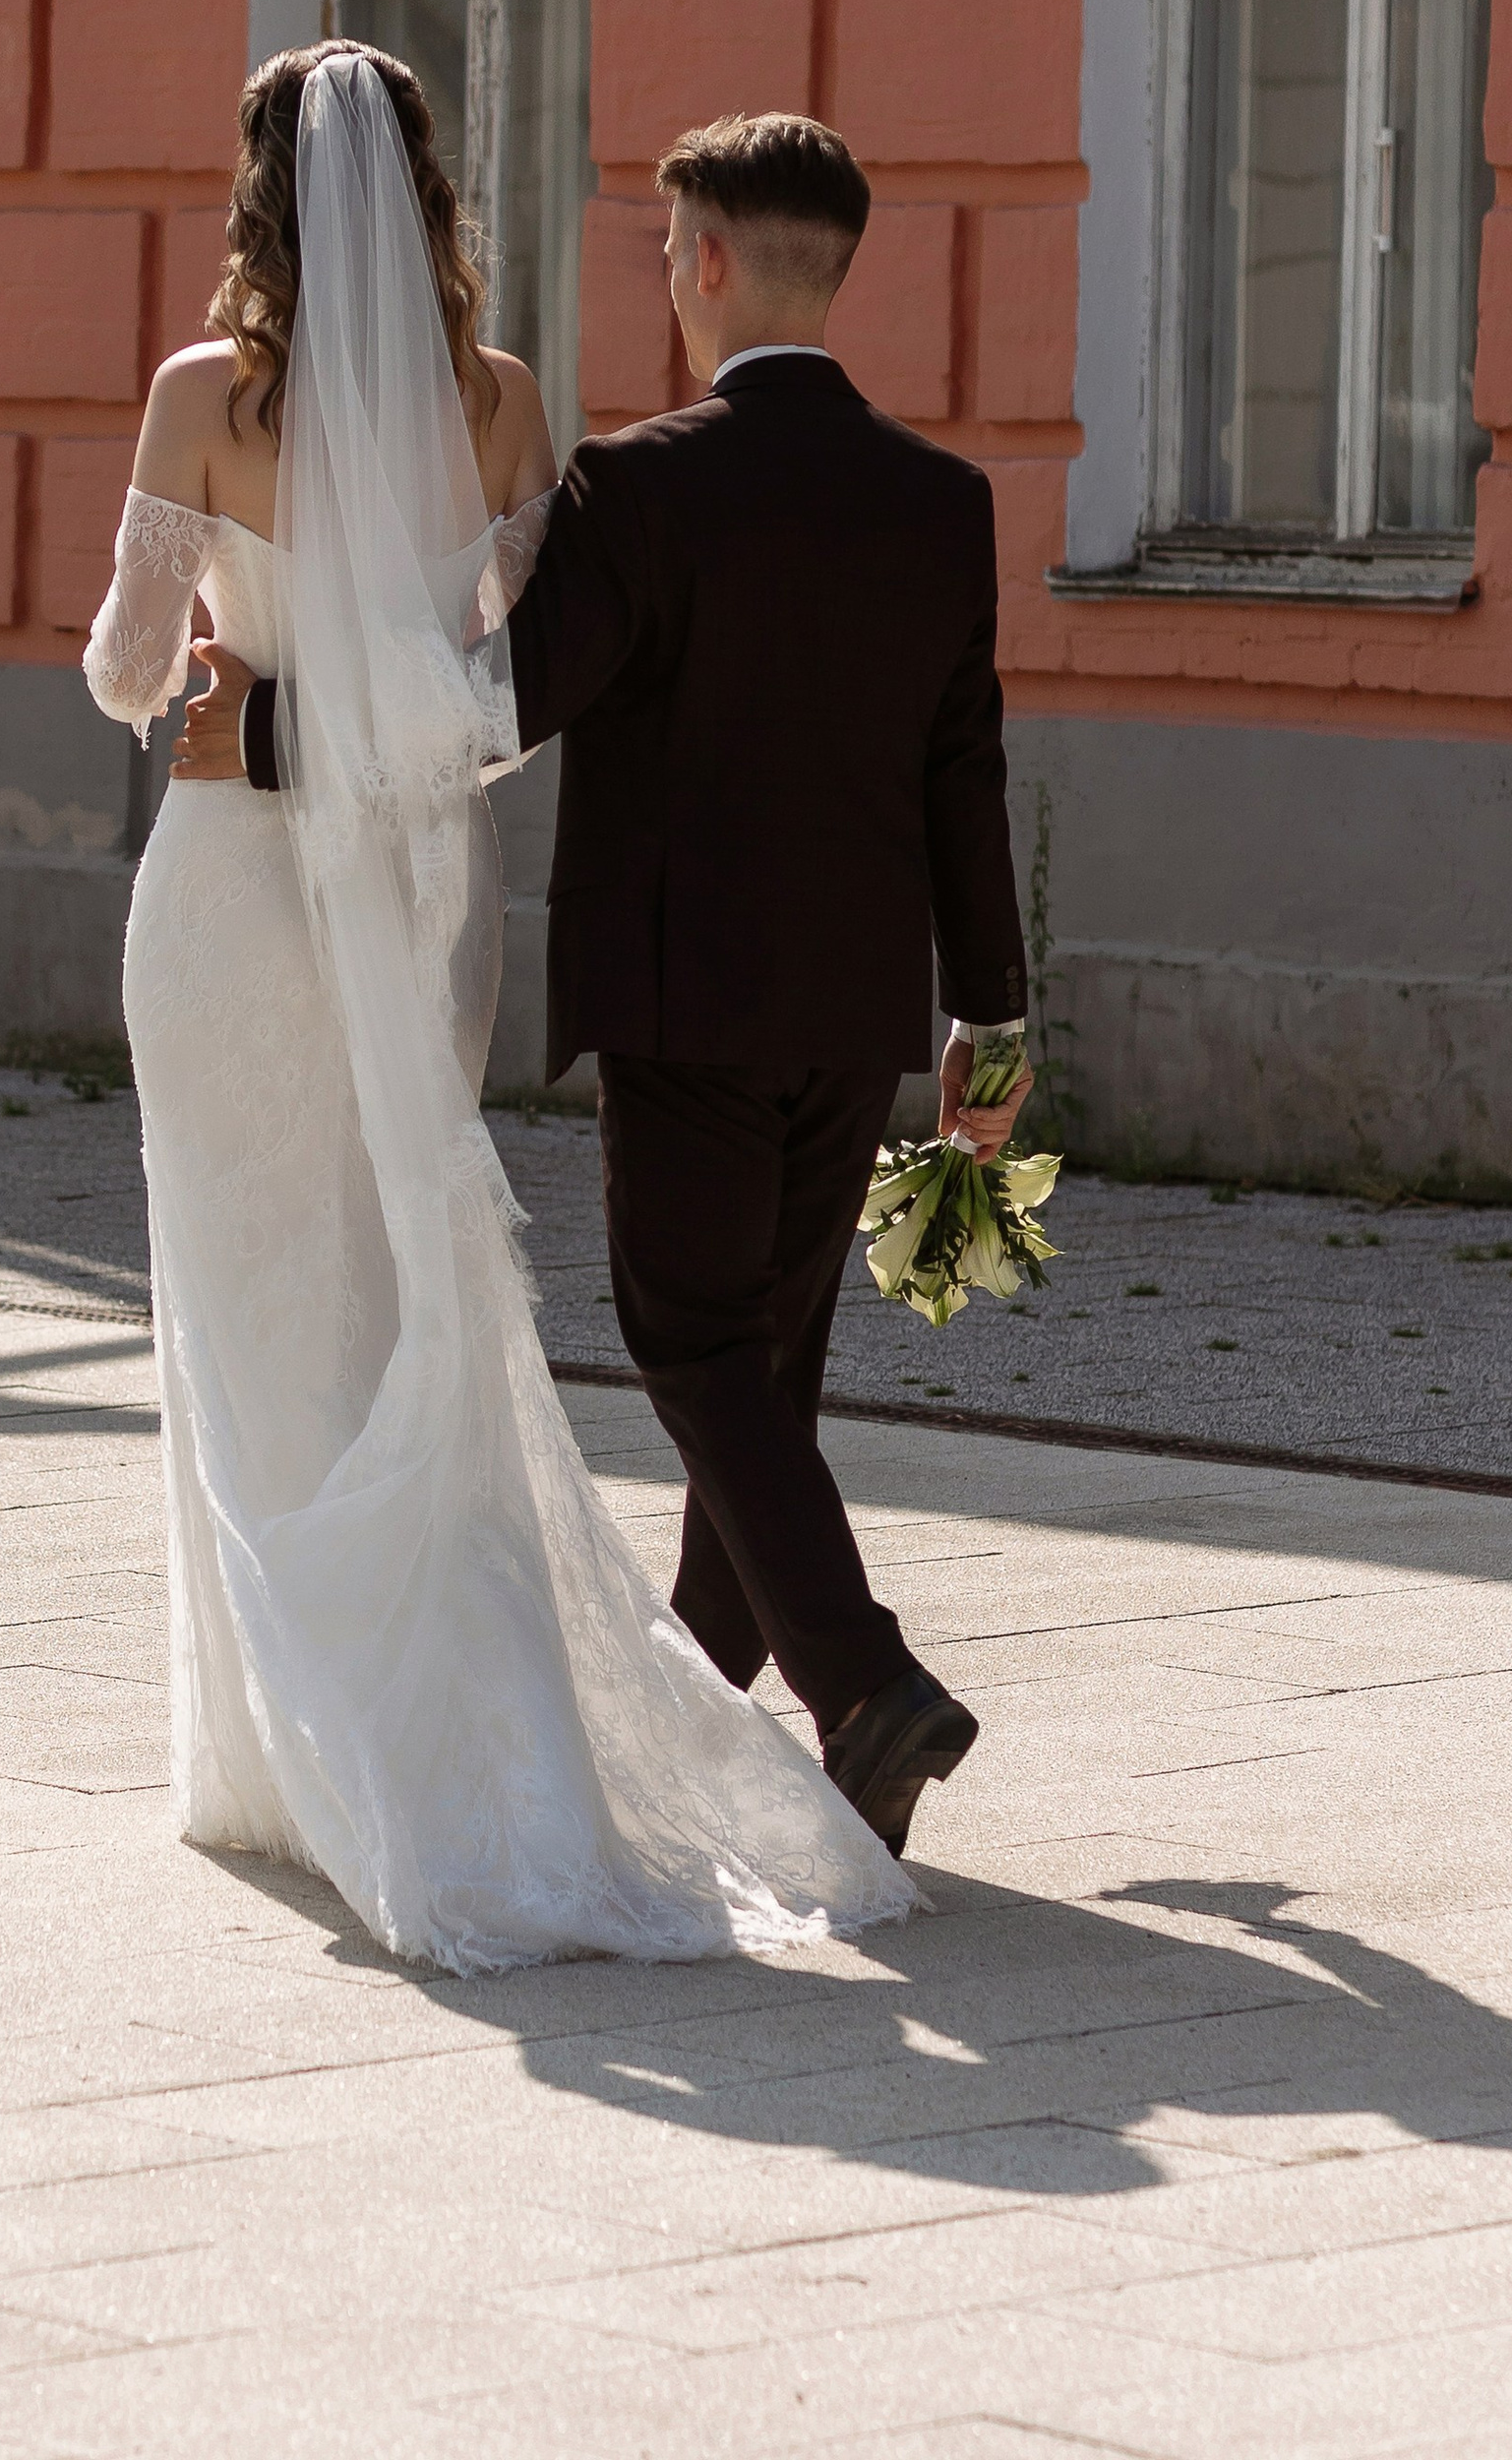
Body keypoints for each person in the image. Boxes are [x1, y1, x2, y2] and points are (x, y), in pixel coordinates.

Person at [83, 45, 916, 1976]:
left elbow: (131, 675)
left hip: (222, 884)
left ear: (263, 198)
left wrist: (219, 671)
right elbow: (513, 680)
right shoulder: (504, 403)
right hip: (411, 899)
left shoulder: (202, 397)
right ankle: (445, 1737)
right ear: (427, 205)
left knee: (240, 1303)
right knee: (389, 1298)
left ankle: (291, 1766)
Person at [201, 110, 1035, 1859]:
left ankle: (868, 1682)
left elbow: (508, 701)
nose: (662, 279)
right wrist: (993, 1019)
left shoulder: (642, 485)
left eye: (667, 251)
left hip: (682, 997)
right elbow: (969, 773)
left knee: (690, 1341)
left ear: (713, 262)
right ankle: (713, 1715)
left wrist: (270, 721)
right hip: (862, 1013)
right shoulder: (940, 503)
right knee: (767, 1368)